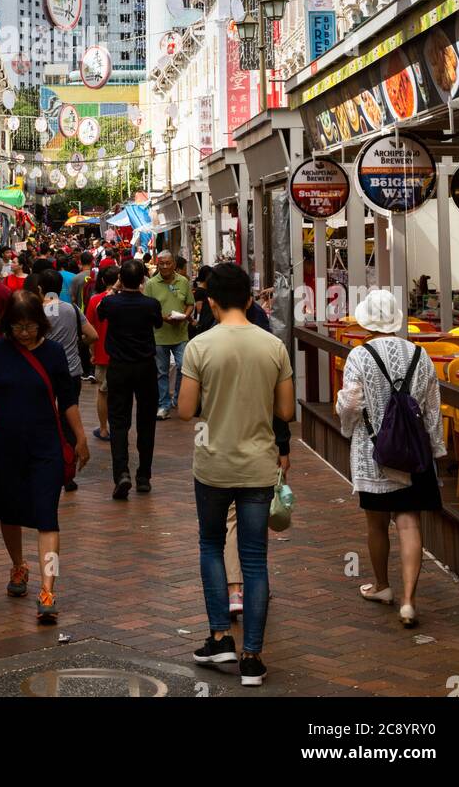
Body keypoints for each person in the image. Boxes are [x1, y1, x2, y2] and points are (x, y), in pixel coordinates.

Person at [179, 262, 295, 689]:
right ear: (249, 299)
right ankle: (252, 659)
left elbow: (186, 409)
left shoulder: (200, 346)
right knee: (255, 560)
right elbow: (285, 412)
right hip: (259, 466)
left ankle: (219, 637)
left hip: (213, 464)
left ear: (211, 301)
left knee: (211, 544)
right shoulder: (272, 346)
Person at [0, 290, 89, 624]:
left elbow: (67, 400)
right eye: (17, 326)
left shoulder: (54, 353)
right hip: (5, 445)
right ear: (8, 324)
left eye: (30, 326)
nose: (24, 333)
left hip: (45, 446)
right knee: (8, 512)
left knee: (47, 517)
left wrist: (80, 437)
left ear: (40, 324)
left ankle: (48, 588)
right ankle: (17, 566)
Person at [336, 288, 445, 629]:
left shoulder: (359, 355)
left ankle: (383, 587)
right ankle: (410, 601)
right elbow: (432, 409)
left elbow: (351, 404)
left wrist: (347, 426)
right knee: (409, 522)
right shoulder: (420, 354)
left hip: (374, 453)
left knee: (376, 523)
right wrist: (435, 447)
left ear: (367, 320)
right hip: (412, 456)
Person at [96, 257, 160, 499]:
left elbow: (100, 312)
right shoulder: (151, 304)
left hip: (119, 367)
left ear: (121, 279)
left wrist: (114, 289)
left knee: (119, 421)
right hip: (145, 366)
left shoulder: (111, 303)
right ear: (143, 279)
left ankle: (121, 473)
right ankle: (144, 475)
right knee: (146, 421)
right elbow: (157, 323)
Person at [39, 268, 97, 491]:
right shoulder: (71, 309)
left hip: (43, 373)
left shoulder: (38, 311)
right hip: (71, 372)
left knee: (44, 418)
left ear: (39, 289)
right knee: (68, 420)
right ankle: (68, 472)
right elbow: (92, 335)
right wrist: (76, 342)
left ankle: (46, 466)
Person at [144, 250, 194, 420]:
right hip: (159, 335)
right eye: (161, 263)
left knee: (183, 366)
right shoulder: (151, 284)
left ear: (174, 264)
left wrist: (185, 316)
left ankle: (177, 398)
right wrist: (162, 318)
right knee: (161, 372)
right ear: (157, 264)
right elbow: (148, 309)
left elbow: (189, 303)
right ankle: (163, 405)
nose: (164, 266)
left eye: (168, 263)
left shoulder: (183, 281)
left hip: (180, 333)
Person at [87, 264, 119, 441]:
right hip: (123, 354)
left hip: (102, 352)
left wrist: (92, 352)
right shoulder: (126, 300)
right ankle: (118, 427)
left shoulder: (95, 300)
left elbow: (90, 329)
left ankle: (104, 428)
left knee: (103, 392)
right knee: (120, 393)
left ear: (104, 280)